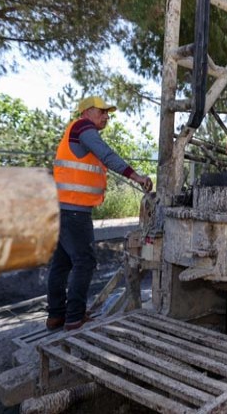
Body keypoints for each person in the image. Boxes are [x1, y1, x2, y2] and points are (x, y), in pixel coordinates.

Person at [47, 96, 153, 331]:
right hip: (74, 211)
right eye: (102, 111)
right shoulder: (83, 128)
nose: (106, 116)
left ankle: (55, 316)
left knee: (62, 263)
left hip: (63, 208)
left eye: (108, 113)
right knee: (84, 262)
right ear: (86, 112)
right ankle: (74, 318)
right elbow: (107, 154)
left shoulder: (75, 132)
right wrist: (136, 176)